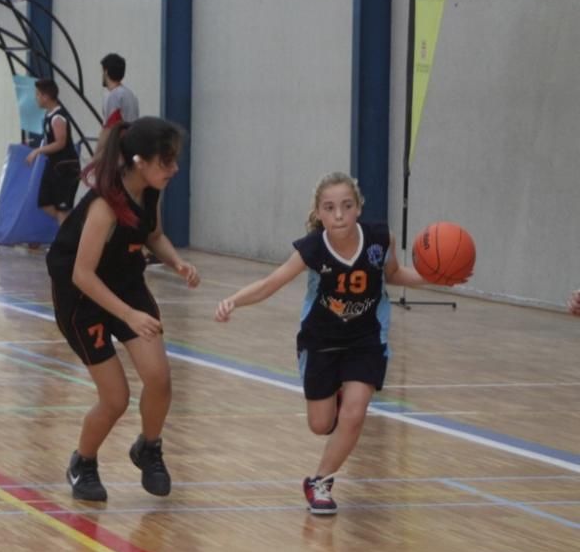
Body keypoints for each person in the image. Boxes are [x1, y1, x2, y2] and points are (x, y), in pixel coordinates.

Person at [214, 172, 469, 515]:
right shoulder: (314, 247)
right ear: (319, 213)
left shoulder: (380, 237)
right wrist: (234, 300)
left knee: (355, 413)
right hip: (321, 339)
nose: (338, 215)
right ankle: (334, 397)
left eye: (346, 206)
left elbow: (393, 275)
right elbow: (270, 283)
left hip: (366, 337)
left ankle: (321, 482)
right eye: (330, 208)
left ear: (358, 208)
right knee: (321, 425)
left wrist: (435, 276)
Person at [47, 117, 199, 501]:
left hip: (126, 285)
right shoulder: (104, 206)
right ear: (139, 161)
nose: (174, 169)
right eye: (166, 162)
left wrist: (176, 262)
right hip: (83, 299)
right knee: (116, 398)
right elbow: (82, 274)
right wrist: (128, 315)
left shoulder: (150, 191)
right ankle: (83, 462)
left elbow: (154, 235)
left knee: (160, 378)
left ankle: (149, 447)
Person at [26, 78, 80, 225]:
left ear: (46, 96)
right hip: (54, 165)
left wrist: (37, 151)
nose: (35, 98)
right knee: (44, 202)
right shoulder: (48, 115)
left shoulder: (58, 117)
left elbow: (60, 143)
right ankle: (72, 229)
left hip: (65, 167)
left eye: (37, 94)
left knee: (62, 208)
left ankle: (67, 242)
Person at [100, 53, 139, 127]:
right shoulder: (131, 95)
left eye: (102, 71)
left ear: (106, 72)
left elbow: (111, 127)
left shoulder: (114, 96)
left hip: (120, 137)